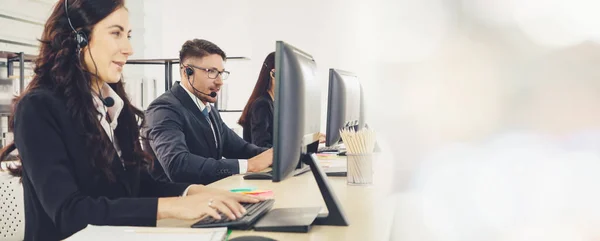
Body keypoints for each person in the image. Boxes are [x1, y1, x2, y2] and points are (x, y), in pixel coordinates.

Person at [0, 1, 261, 240]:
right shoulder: (37, 107)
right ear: (77, 38)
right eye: (116, 33)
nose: (128, 48)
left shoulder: (112, 103)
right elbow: (70, 212)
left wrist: (195, 193)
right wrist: (173, 207)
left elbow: (137, 183)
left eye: (129, 35)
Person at [144, 39, 273, 185]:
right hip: (179, 202)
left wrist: (275, 155)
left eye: (221, 73)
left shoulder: (208, 109)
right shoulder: (164, 109)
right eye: (211, 72)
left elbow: (241, 148)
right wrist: (249, 165)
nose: (219, 82)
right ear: (187, 72)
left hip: (208, 196)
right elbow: (178, 165)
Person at [238, 52, 275, 148]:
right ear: (273, 74)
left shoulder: (273, 102)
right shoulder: (262, 104)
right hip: (263, 161)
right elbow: (261, 145)